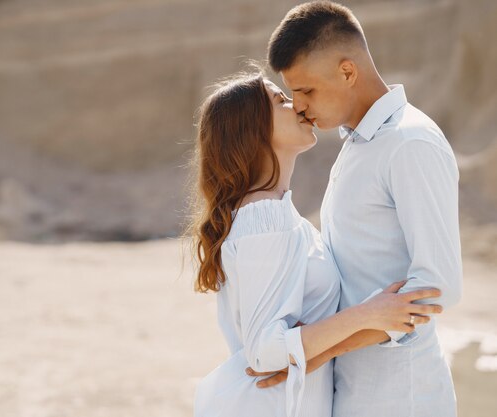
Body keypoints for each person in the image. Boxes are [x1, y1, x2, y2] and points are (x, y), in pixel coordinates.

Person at [247, 2, 463, 417]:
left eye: (306, 90)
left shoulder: (409, 143)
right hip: (354, 392)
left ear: (347, 71)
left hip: (404, 397)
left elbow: (436, 288)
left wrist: (319, 351)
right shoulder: (360, 144)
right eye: (291, 94)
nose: (299, 107)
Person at [188, 71, 443, 417]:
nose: (299, 106)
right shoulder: (264, 220)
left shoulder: (275, 212)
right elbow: (264, 352)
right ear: (252, 130)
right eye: (281, 100)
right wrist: (367, 314)